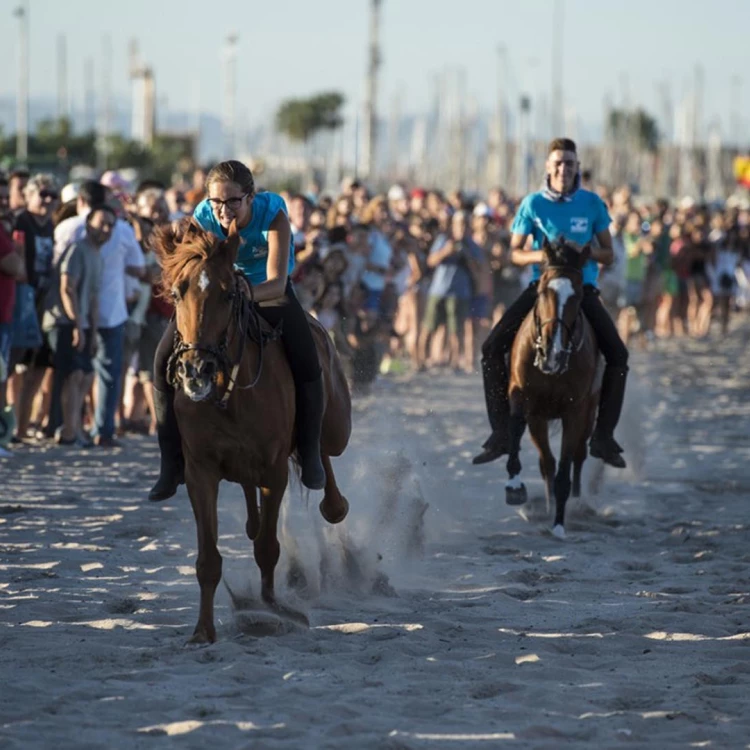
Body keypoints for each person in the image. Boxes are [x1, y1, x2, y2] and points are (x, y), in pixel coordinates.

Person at [148, 160, 327, 500]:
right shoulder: (202, 218)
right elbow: (191, 270)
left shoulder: (273, 215)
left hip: (266, 290)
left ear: (250, 197)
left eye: (233, 201)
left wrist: (246, 293)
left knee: (307, 360)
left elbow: (277, 281)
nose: (224, 210)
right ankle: (170, 464)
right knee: (160, 361)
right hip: (219, 295)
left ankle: (309, 450)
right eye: (217, 202)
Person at [472, 138, 629, 469]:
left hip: (581, 290)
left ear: (577, 167)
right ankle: (500, 433)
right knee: (490, 348)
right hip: (541, 288)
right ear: (547, 167)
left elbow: (609, 253)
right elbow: (514, 252)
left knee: (618, 354)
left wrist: (583, 251)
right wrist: (542, 254)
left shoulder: (592, 204)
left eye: (569, 163)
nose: (563, 169)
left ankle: (603, 436)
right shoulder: (532, 204)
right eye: (558, 163)